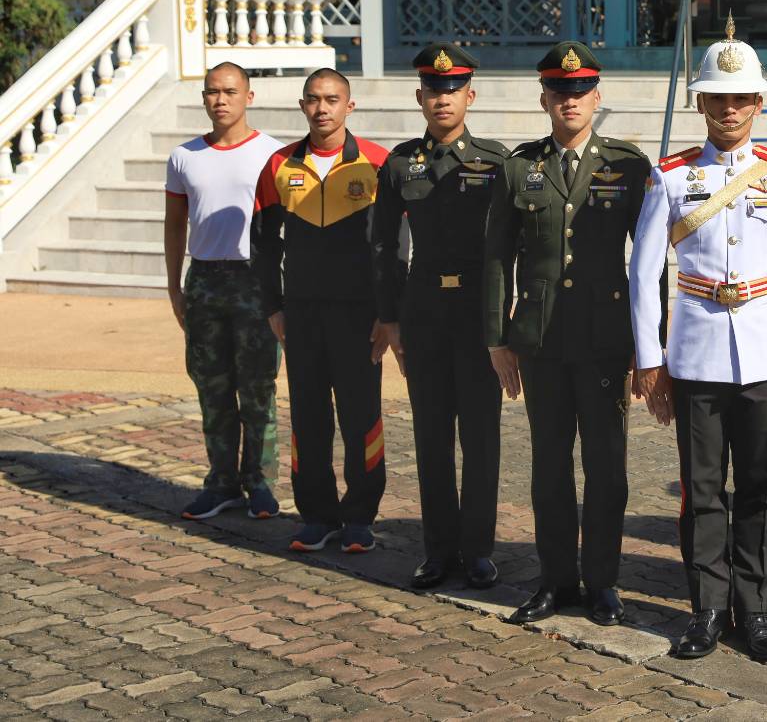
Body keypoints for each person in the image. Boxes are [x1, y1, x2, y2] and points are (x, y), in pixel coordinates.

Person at [629, 20, 767, 662]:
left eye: (741, 98)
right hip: (696, 352)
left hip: (765, 352)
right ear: (701, 103)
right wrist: (651, 358)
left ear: (759, 104)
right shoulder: (671, 177)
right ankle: (708, 608)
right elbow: (644, 273)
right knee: (703, 489)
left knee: (761, 491)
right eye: (718, 97)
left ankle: (757, 608)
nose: (730, 109)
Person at [484, 41, 650, 627]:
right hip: (541, 341)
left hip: (605, 339)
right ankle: (555, 579)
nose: (570, 101)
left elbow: (647, 262)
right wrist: (497, 337)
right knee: (549, 465)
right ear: (544, 99)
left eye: (581, 91)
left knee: (606, 467)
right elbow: (496, 258)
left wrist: (648, 346)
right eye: (559, 91)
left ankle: (602, 582)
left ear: (597, 98)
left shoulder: (628, 166)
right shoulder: (518, 167)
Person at [371, 44, 510, 590]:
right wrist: (390, 318)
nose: (442, 98)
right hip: (424, 314)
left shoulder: (497, 162)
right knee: (431, 437)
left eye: (452, 90)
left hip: (477, 316)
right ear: (419, 97)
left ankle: (478, 551)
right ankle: (437, 551)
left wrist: (504, 320)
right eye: (433, 90)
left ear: (470, 96)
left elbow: (510, 247)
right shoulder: (400, 164)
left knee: (481, 438)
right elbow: (384, 246)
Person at [252, 68, 390, 554]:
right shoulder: (278, 165)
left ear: (349, 106)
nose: (322, 108)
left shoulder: (378, 163)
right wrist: (273, 306)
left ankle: (360, 516)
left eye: (332, 99)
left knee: (361, 416)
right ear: (302, 105)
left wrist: (388, 312)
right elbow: (263, 244)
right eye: (313, 99)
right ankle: (317, 515)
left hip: (360, 317)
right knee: (308, 417)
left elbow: (393, 246)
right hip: (302, 315)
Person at [164, 62, 282, 522]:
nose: (220, 100)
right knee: (211, 388)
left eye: (230, 91)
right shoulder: (184, 156)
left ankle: (261, 482)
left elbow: (284, 227)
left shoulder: (273, 154)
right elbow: (175, 225)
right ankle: (221, 483)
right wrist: (174, 286)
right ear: (204, 98)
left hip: (255, 280)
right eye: (212, 92)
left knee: (258, 388)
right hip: (204, 280)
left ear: (248, 97)